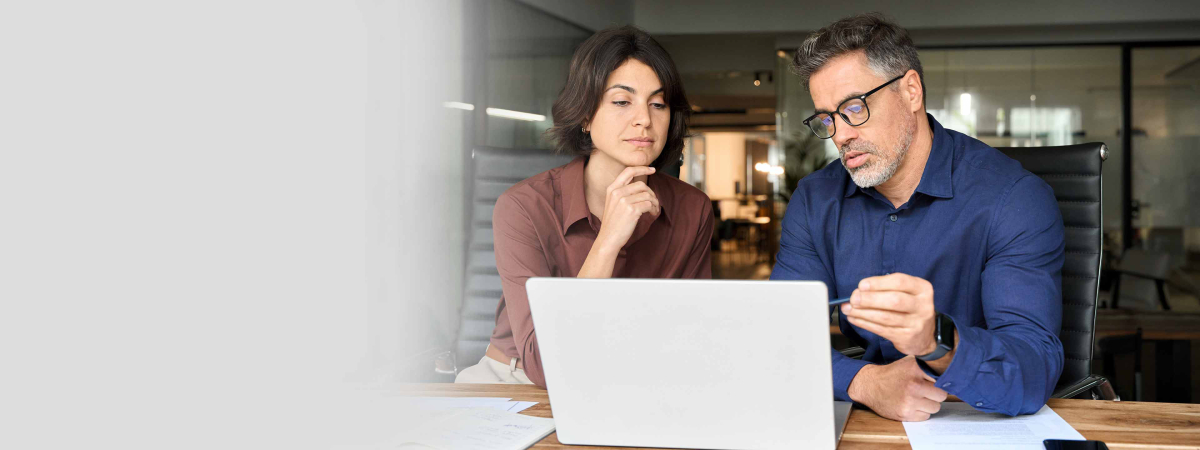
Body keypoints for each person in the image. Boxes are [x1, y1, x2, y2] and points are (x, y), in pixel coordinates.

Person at [771, 13, 1066, 421]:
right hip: (869, 419)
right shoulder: (815, 199)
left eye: (854, 108)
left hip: (981, 421)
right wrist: (866, 382)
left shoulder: (1013, 198)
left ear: (911, 91)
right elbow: (780, 338)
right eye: (826, 118)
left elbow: (1033, 371)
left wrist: (936, 342)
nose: (840, 135)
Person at [455, 26, 714, 387]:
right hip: (518, 380)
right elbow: (546, 365)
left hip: (635, 378)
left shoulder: (692, 208)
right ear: (586, 115)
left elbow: (691, 337)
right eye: (622, 101)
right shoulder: (523, 207)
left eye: (658, 103)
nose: (644, 119)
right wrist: (607, 240)